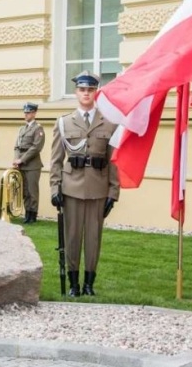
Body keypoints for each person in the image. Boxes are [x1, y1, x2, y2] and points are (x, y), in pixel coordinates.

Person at [50, 71, 120, 297]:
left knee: (93, 239)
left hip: (98, 188)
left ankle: (89, 283)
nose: (86, 93)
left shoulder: (109, 123)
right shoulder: (63, 123)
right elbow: (55, 160)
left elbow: (114, 161)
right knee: (72, 238)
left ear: (96, 92)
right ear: (76, 92)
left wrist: (113, 192)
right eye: (82, 89)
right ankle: (73, 284)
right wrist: (55, 188)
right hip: (71, 188)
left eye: (90, 90)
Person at [13, 102, 45, 224]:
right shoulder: (22, 128)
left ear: (34, 113)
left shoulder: (38, 128)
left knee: (32, 191)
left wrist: (22, 159)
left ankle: (33, 214)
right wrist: (16, 159)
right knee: (24, 190)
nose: (26, 114)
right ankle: (27, 213)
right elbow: (17, 146)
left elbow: (36, 147)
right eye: (25, 112)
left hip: (32, 165)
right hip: (21, 163)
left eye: (29, 112)